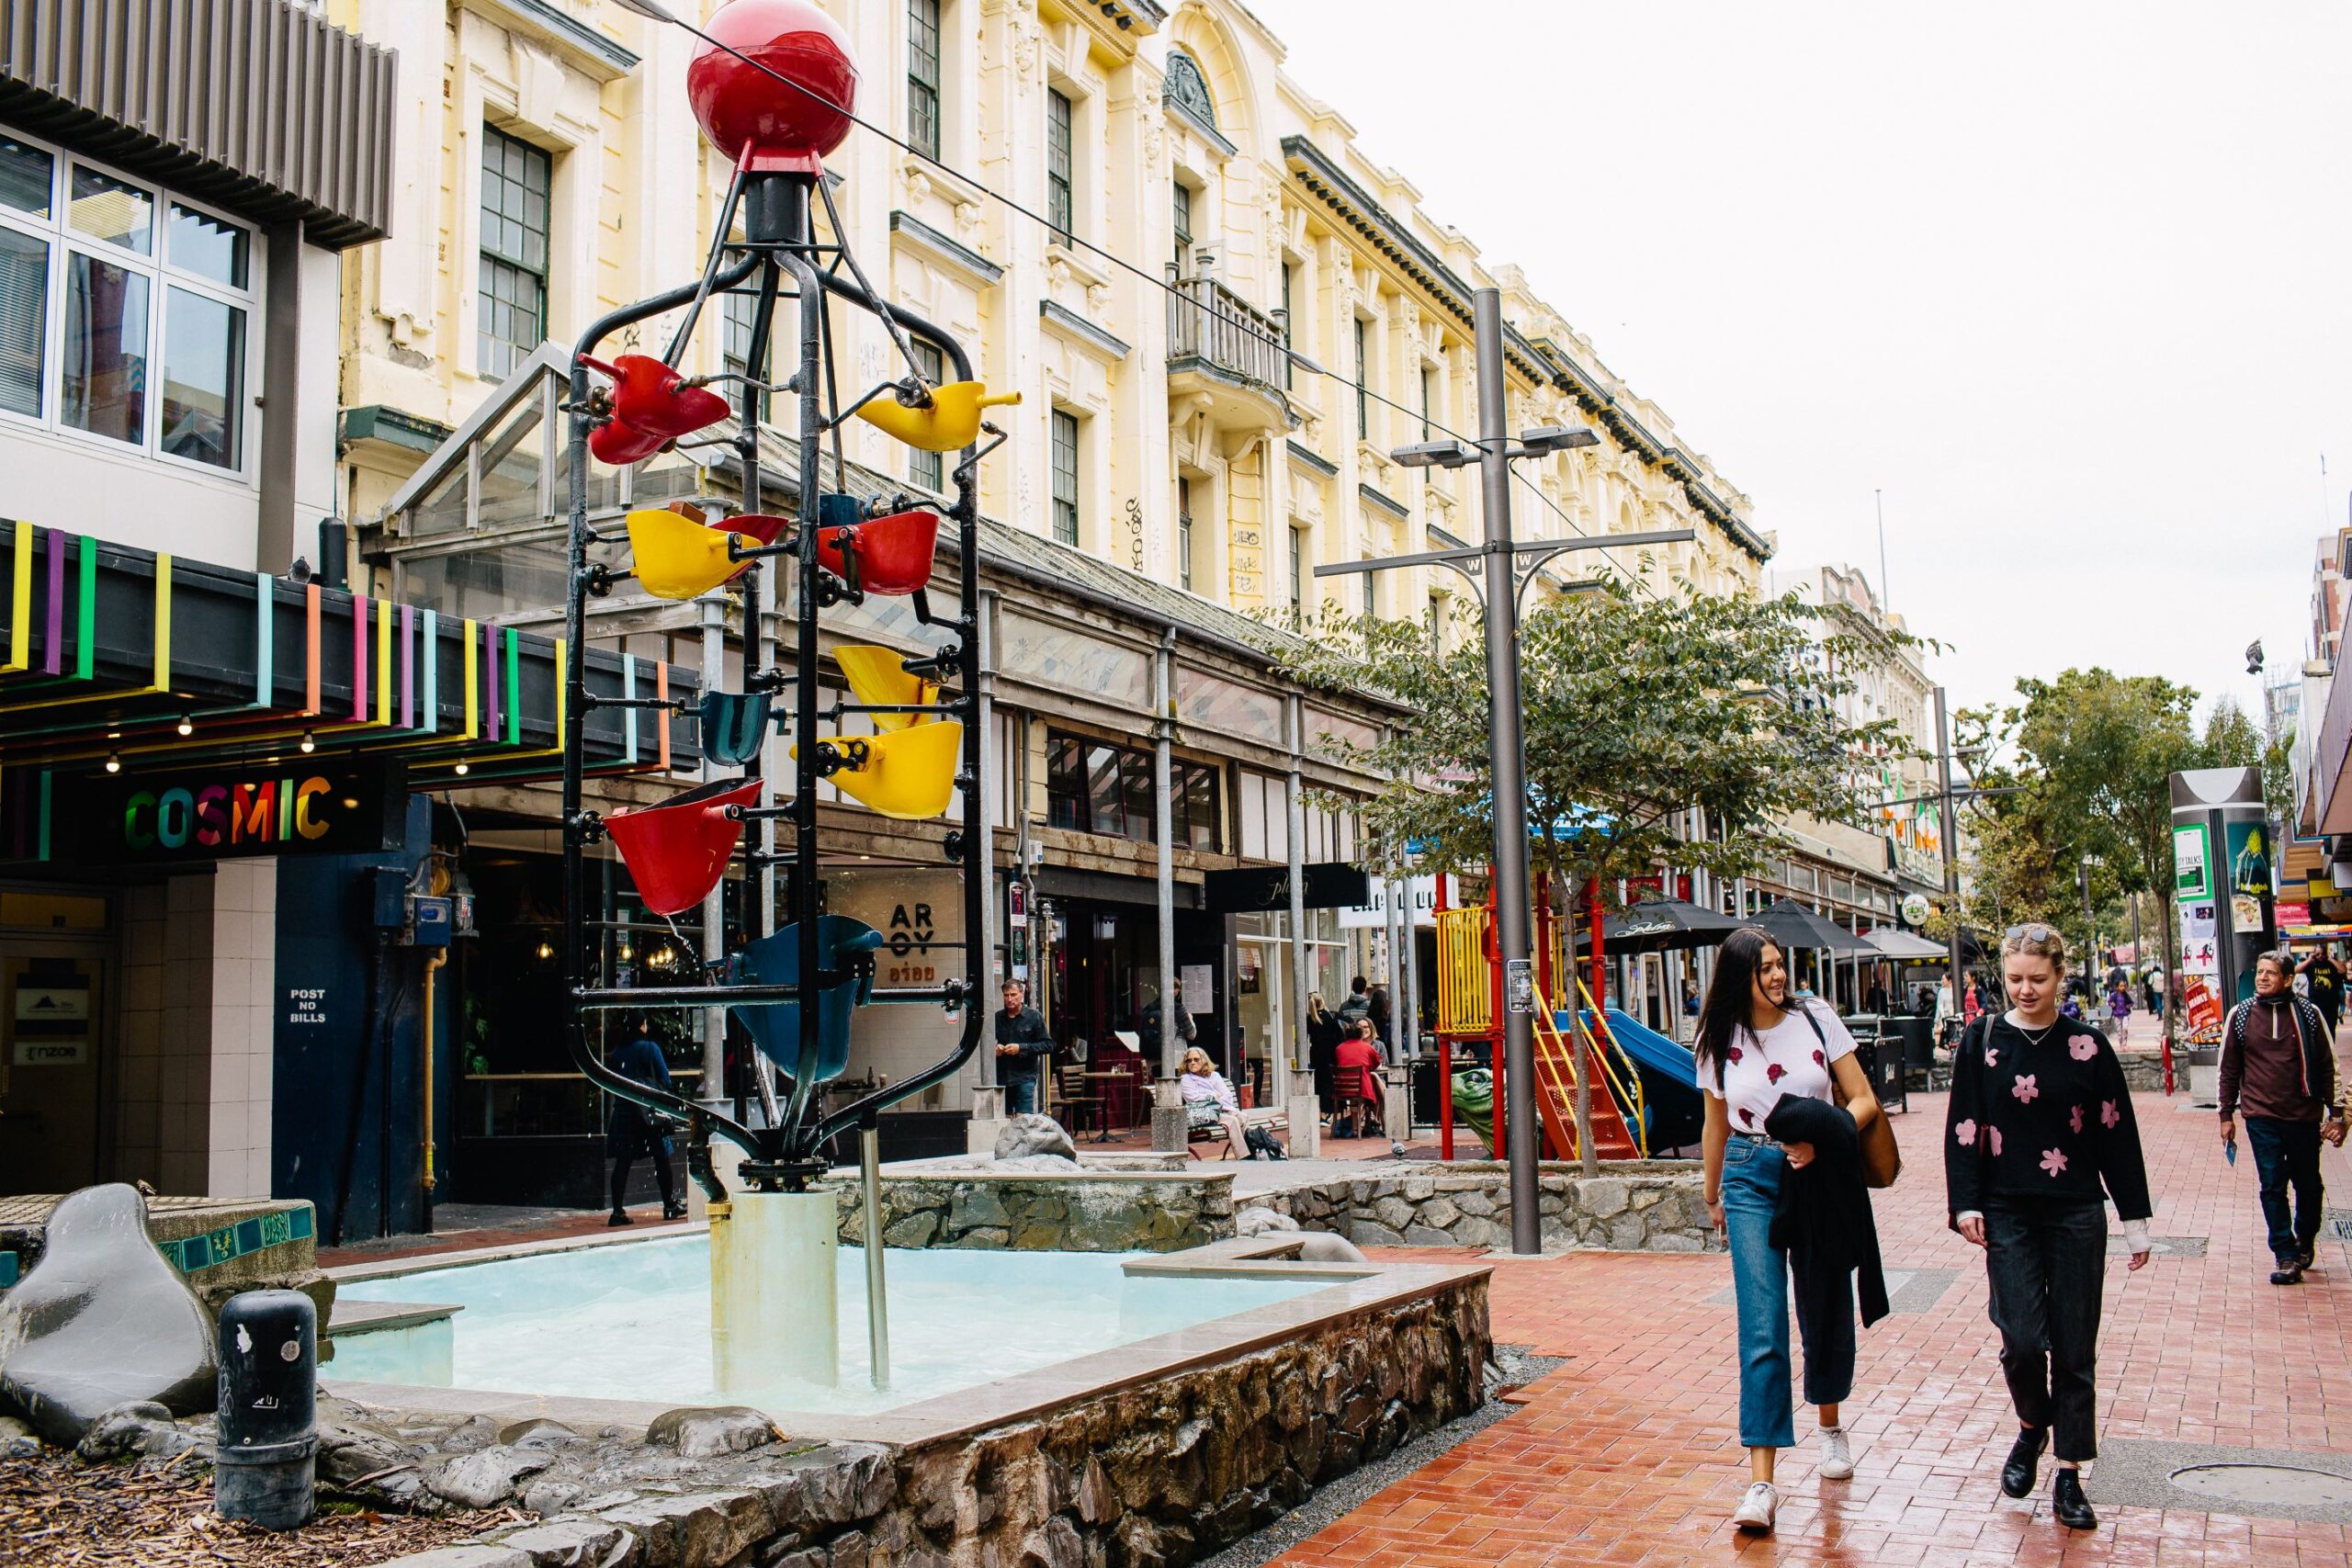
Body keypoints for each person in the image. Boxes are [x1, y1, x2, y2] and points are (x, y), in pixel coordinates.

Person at [1947, 923, 2151, 1533]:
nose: (2026, 989)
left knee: (2074, 1343)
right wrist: (1965, 1204)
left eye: (2038, 978)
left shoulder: (2089, 1047)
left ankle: (2069, 1472)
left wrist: (2134, 1219)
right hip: (2006, 1209)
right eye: (2015, 979)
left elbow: (2116, 1132)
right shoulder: (1982, 1041)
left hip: (2076, 1211)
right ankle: (2032, 1423)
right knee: (2022, 1338)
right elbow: (1963, 1125)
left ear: (2061, 976)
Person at [1695, 927, 1883, 1535]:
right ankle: (1762, 1480)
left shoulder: (1816, 1017)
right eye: (1765, 968)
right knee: (1763, 1323)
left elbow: (1864, 1101)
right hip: (1750, 1176)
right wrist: (1711, 1190)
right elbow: (1715, 1123)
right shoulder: (1717, 1038)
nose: (1778, 977)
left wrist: (1819, 1133)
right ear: (1739, 977)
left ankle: (1830, 1425)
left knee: (1824, 1304)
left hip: (1818, 1172)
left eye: (1781, 965)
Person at [2220, 952, 2347, 1285]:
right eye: (2260, 972)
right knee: (2272, 1184)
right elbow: (2229, 1068)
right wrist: (2225, 1113)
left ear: (2288, 979)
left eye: (2270, 973)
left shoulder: (2308, 1013)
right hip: (2261, 1117)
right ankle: (2285, 1253)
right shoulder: (2241, 1014)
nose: (2261, 978)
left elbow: (2328, 1066)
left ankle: (2305, 1238)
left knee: (2308, 1184)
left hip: (2304, 1116)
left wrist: (2339, 1115)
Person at [607, 1015, 684, 1226]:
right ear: (642, 1024)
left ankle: (616, 1211)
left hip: (624, 1112)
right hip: (648, 1113)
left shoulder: (619, 1052)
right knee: (661, 1158)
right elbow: (665, 1079)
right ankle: (669, 1206)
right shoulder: (650, 1048)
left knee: (623, 1162)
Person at [1178, 1046, 1252, 1155]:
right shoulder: (1185, 1079)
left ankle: (1252, 1151)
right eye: (1189, 1060)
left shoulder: (1214, 1076)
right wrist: (1214, 1095)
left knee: (1243, 1117)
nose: (1192, 1063)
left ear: (1204, 1060)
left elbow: (1228, 1097)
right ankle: (1244, 1157)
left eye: (1196, 1059)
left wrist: (1211, 1099)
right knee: (1232, 1121)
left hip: (1222, 1109)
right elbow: (1193, 1099)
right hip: (1203, 1114)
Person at [993, 981, 1053, 1115]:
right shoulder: (997, 1018)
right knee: (1004, 1119)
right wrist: (995, 1049)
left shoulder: (1034, 1017)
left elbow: (1048, 1045)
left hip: (1025, 1076)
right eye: (1006, 995)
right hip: (1002, 1077)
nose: (1009, 999)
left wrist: (1021, 1048)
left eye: (1013, 995)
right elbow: (987, 1043)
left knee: (1024, 1119)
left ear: (1022, 994)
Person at [1333, 1017, 1385, 1137]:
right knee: (1368, 1086)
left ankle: (1355, 1129)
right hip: (1363, 1089)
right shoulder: (1367, 1047)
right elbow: (1377, 1063)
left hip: (1342, 1088)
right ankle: (1372, 1120)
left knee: (1355, 1098)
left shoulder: (1339, 1048)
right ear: (1360, 1034)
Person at [1306, 991, 1344, 1106]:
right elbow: (1337, 1035)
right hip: (1330, 1053)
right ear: (1322, 1002)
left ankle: (1319, 1106)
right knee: (1329, 1080)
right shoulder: (1329, 1016)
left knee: (1318, 1080)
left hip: (1316, 1053)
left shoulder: (1310, 1018)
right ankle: (1329, 1107)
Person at [2299, 946, 2345, 1038]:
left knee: (2330, 1026)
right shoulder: (2311, 965)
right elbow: (2296, 970)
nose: (2320, 956)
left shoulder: (2331, 964)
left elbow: (2343, 970)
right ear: (2314, 955)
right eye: (2317, 954)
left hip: (2331, 1002)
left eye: (2323, 954)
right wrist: (2309, 960)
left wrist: (2331, 959)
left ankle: (2330, 1047)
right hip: (2315, 1002)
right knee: (2316, 1026)